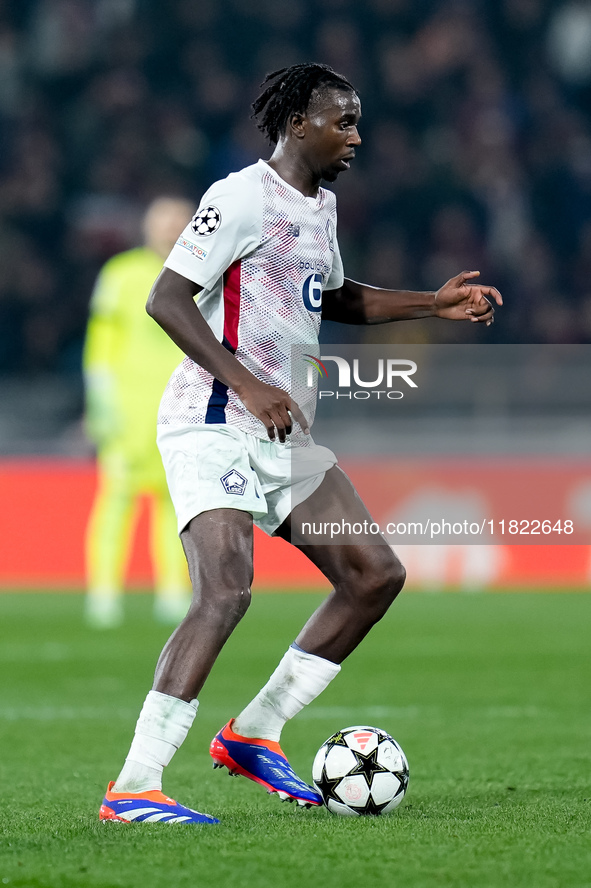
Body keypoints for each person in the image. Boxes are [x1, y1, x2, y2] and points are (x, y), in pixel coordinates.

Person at [98, 64, 501, 825]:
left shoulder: (321, 208)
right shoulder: (239, 196)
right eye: (341, 121)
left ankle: (253, 732)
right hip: (212, 418)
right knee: (225, 591)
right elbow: (166, 297)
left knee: (373, 573)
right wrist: (247, 382)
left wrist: (431, 302)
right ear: (295, 124)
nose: (355, 135)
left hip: (283, 431)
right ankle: (133, 787)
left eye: (355, 121)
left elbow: (336, 295)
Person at [83, 198, 194, 628]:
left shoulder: (203, 272)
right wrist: (100, 401)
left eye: (178, 222)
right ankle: (104, 592)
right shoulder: (121, 274)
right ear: (147, 227)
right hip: (129, 412)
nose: (171, 229)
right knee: (116, 500)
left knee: (177, 505)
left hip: (182, 409)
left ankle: (172, 591)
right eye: (164, 221)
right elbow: (101, 342)